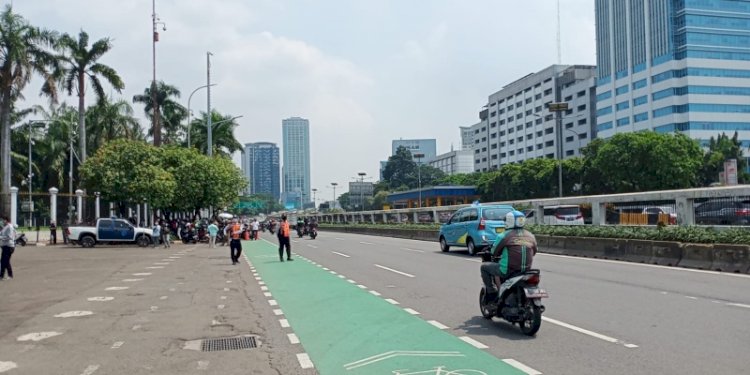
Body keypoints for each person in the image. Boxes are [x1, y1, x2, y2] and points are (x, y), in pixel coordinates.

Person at [480, 210, 537, 302]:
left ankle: (491, 292)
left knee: (484, 267)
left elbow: (494, 252)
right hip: (526, 271)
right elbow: (534, 252)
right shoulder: (531, 235)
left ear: (509, 221)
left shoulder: (504, 235)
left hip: (508, 270)